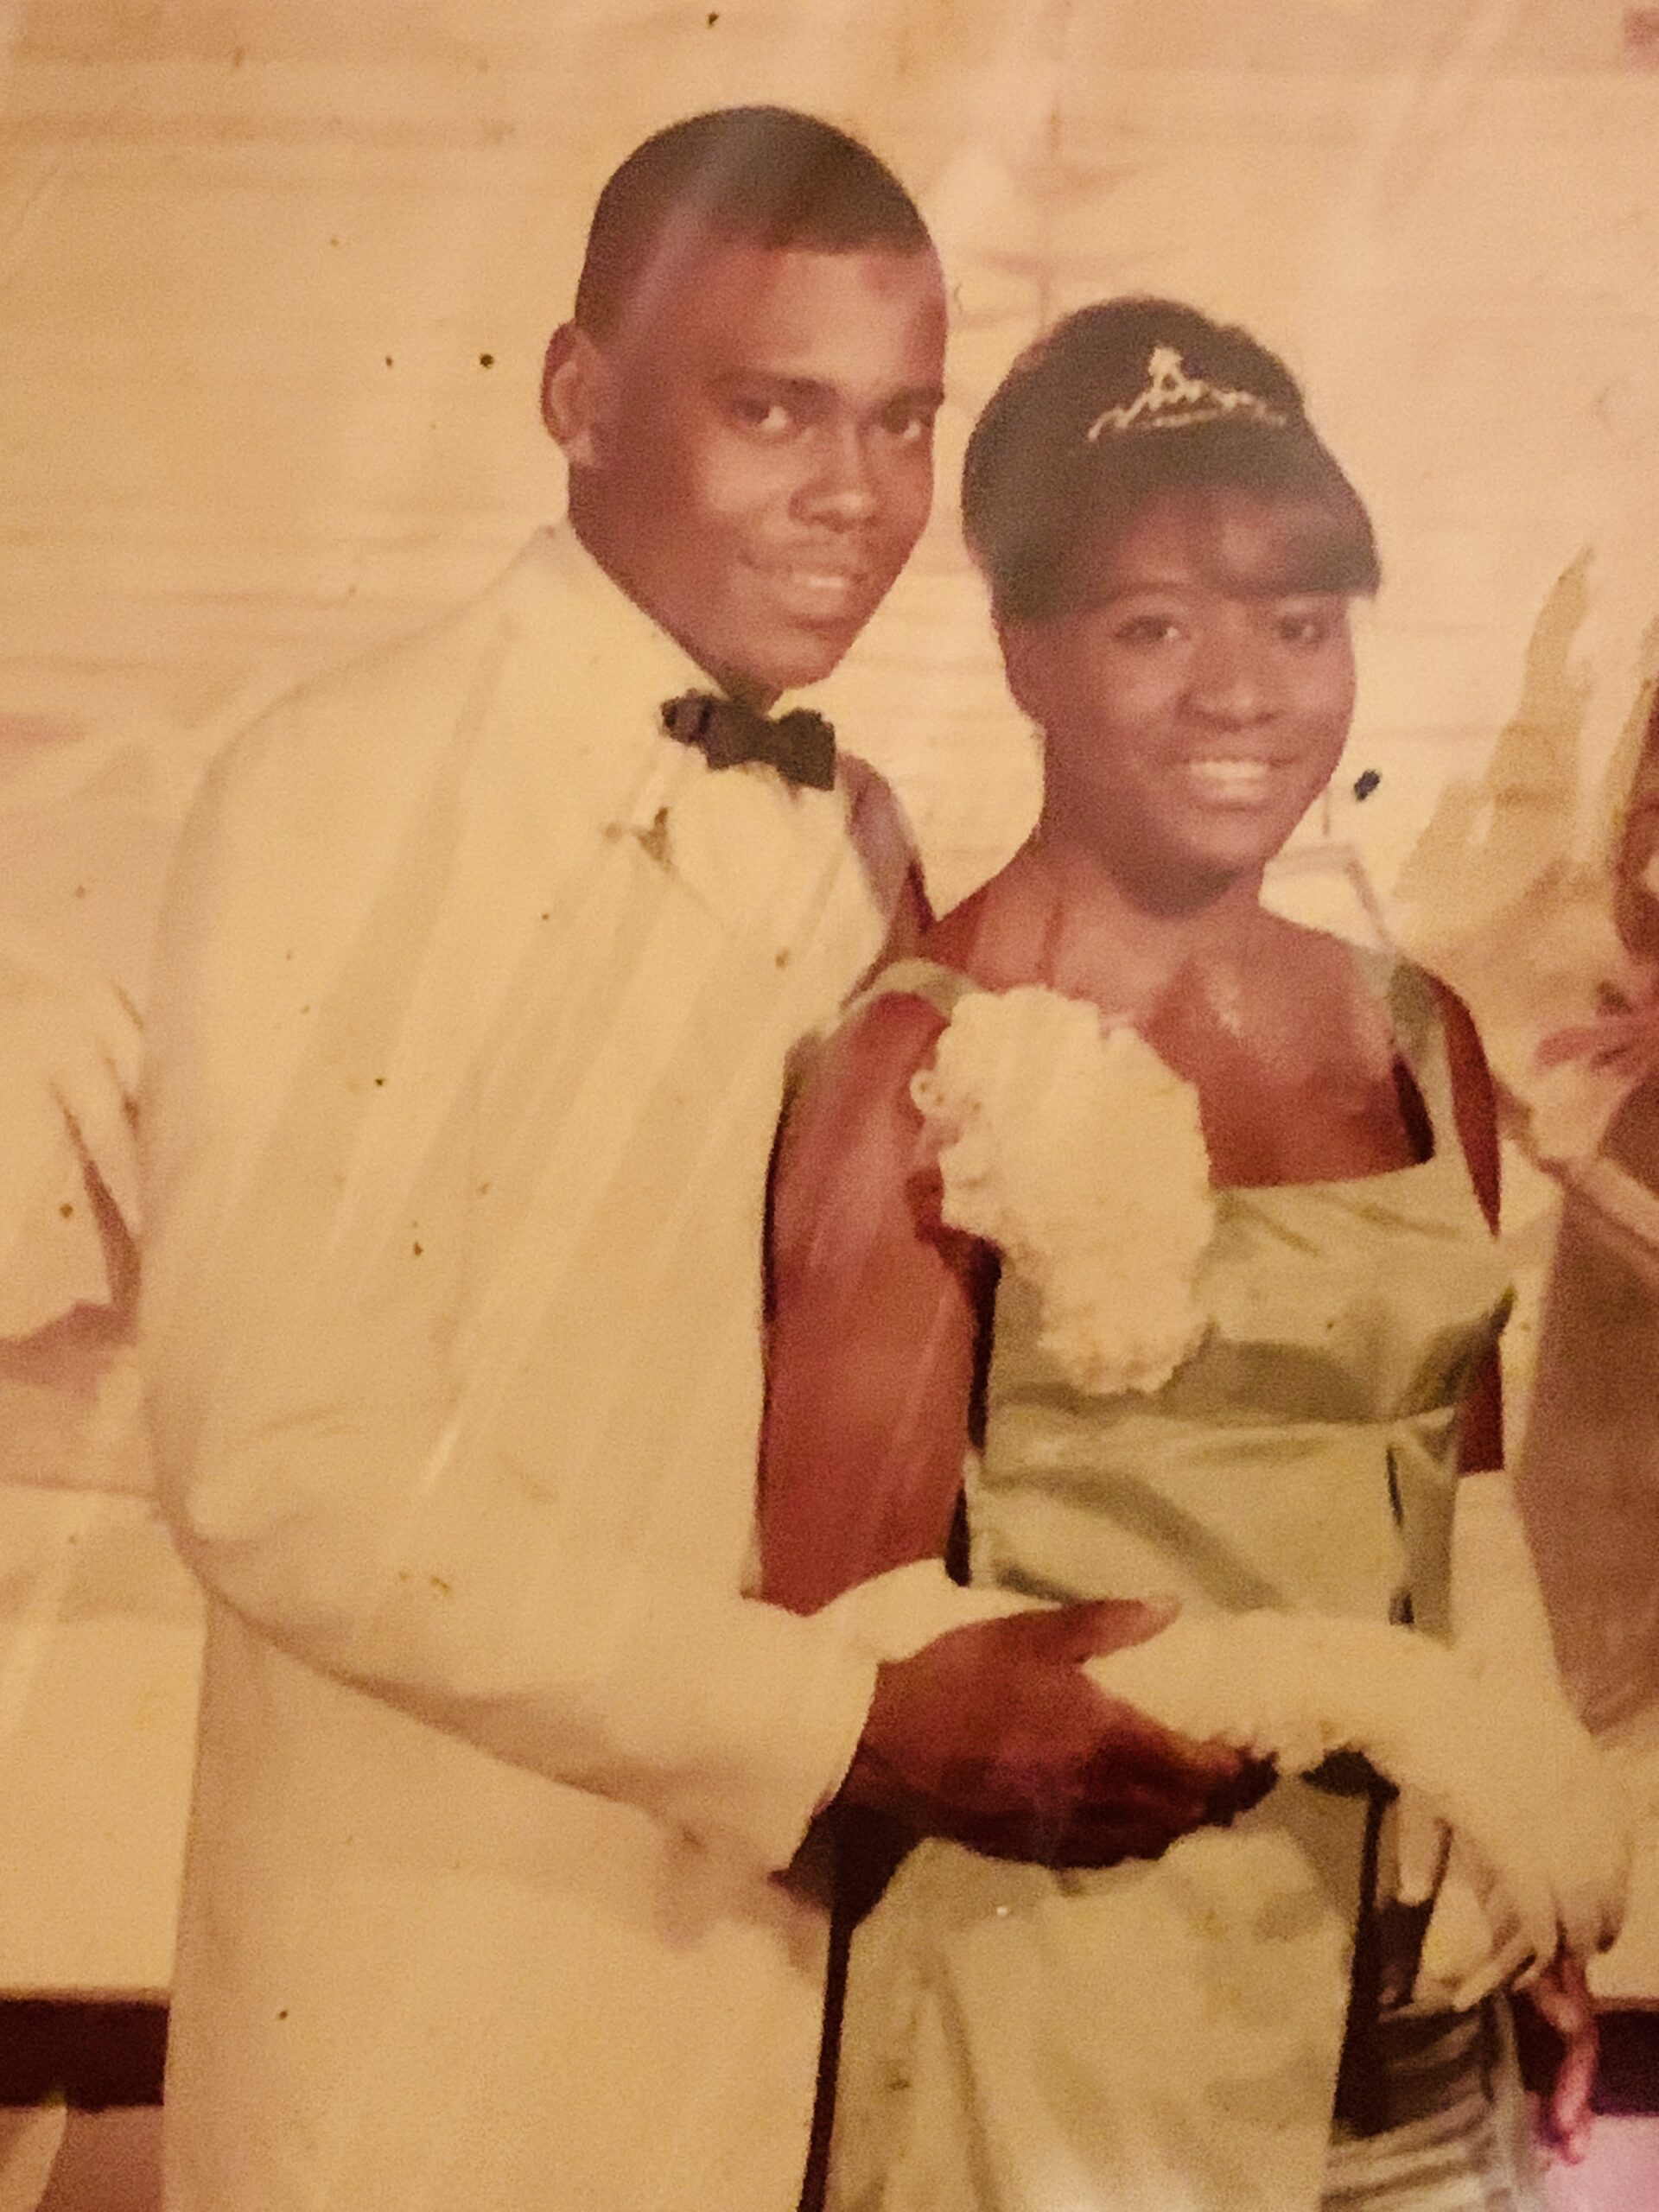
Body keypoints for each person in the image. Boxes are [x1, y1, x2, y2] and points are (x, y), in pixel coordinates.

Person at [138, 121, 1262, 2212]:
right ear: (580, 397)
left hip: (785, 2027)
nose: (857, 495)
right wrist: (840, 1721)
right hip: (430, 2045)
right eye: (773, 412)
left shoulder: (863, 831)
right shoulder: (344, 784)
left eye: (902, 421)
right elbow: (277, 1462)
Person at [761, 297, 1617, 2212]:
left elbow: (1466, 1500)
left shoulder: (1417, 1032)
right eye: (1155, 626)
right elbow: (854, 1647)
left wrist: (1529, 1838)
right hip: (1071, 2051)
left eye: (1299, 624)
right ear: (1026, 653)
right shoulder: (918, 1059)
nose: (1244, 691)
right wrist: (1413, 1714)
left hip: (1418, 2044)